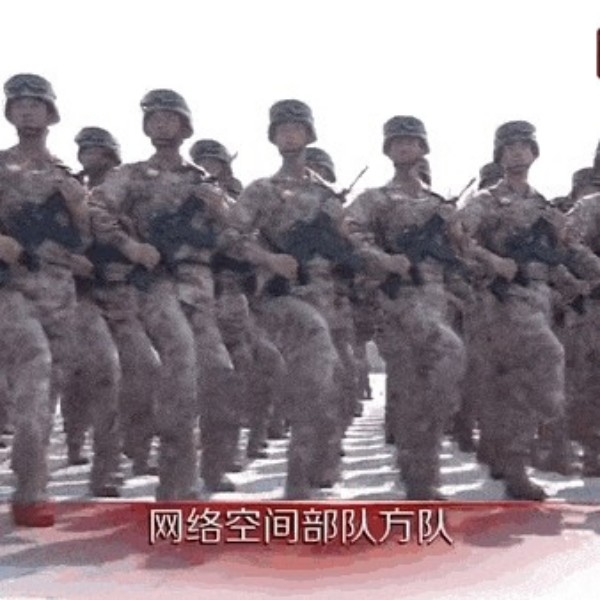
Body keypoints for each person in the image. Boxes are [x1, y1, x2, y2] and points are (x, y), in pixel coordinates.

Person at [346, 115, 466, 500]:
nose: (403, 146)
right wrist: (384, 260)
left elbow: (460, 254)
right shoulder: (373, 199)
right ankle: (420, 478)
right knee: (416, 384)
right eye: (396, 141)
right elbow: (349, 234)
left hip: (436, 302)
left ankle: (421, 470)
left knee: (432, 387)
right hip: (395, 302)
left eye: (411, 141)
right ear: (388, 150)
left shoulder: (439, 206)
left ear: (422, 148)